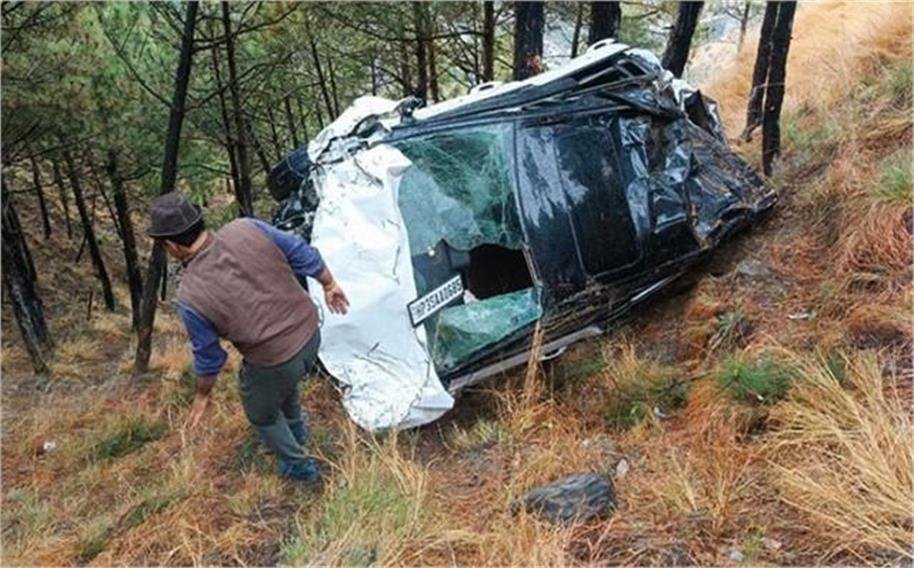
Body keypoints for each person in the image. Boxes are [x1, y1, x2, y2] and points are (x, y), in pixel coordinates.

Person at [147, 192, 349, 481]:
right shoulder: (247, 227)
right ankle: (297, 432)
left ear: (171, 245)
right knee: (279, 383)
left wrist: (202, 396)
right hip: (310, 332)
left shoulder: (190, 295)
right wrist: (329, 284)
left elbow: (209, 357)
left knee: (261, 412)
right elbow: (300, 251)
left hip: (276, 358)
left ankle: (300, 468)